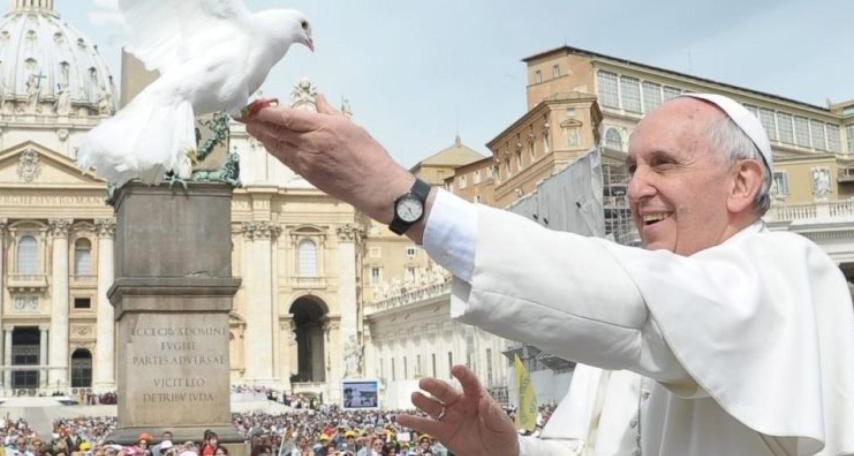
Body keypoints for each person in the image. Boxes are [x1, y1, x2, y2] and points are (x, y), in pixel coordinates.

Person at [246, 92, 854, 455]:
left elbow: (643, 302)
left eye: (663, 164)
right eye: (632, 166)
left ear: (743, 183)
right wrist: (512, 451)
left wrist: (409, 203)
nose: (638, 187)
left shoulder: (791, 275)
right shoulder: (625, 337)